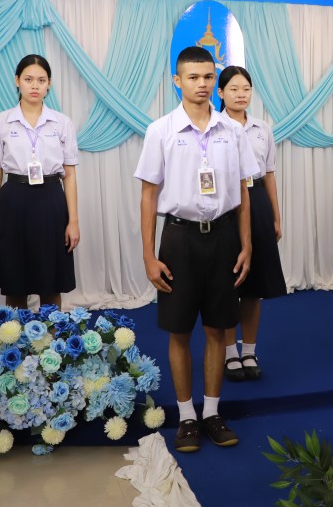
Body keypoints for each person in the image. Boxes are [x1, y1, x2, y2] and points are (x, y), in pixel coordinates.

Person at [134, 46, 259, 453]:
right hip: (179, 239)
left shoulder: (232, 132)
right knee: (180, 331)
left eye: (208, 77)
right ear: (177, 81)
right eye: (193, 77)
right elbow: (148, 196)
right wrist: (149, 256)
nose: (202, 84)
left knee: (218, 329)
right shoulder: (161, 131)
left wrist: (246, 244)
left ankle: (212, 413)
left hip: (223, 237)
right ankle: (187, 416)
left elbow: (243, 191)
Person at [0, 54, 80, 310]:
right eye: (28, 79)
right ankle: (16, 334)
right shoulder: (0, 123)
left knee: (51, 282)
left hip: (51, 201)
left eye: (41, 80)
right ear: (17, 81)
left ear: (49, 84)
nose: (35, 86)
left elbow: (69, 175)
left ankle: (53, 333)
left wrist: (73, 221)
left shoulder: (62, 123)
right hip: (13, 201)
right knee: (15, 282)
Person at [216, 66, 287, 382]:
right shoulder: (214, 127)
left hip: (256, 198)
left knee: (254, 284)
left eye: (246, 88)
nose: (241, 94)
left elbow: (269, 174)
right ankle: (229, 352)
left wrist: (275, 215)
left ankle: (249, 350)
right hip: (226, 201)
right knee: (227, 282)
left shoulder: (262, 129)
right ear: (220, 93)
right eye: (233, 89)